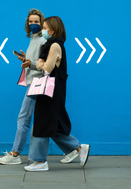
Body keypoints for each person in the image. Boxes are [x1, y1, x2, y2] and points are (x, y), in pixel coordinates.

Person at [25, 16, 90, 172]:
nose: (43, 30)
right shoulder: (53, 44)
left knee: (43, 124)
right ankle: (78, 148)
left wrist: (39, 63)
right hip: (52, 90)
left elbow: (47, 68)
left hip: (50, 92)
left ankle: (40, 161)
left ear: (52, 30)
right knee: (49, 124)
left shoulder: (54, 45)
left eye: (45, 27)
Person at [0, 8, 47, 165]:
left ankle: (15, 154)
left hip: (36, 83)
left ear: (42, 23)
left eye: (36, 22)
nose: (33, 24)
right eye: (30, 21)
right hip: (32, 83)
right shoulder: (33, 39)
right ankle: (75, 149)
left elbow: (44, 64)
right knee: (42, 120)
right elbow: (35, 61)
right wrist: (26, 58)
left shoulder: (43, 41)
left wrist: (29, 63)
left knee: (23, 118)